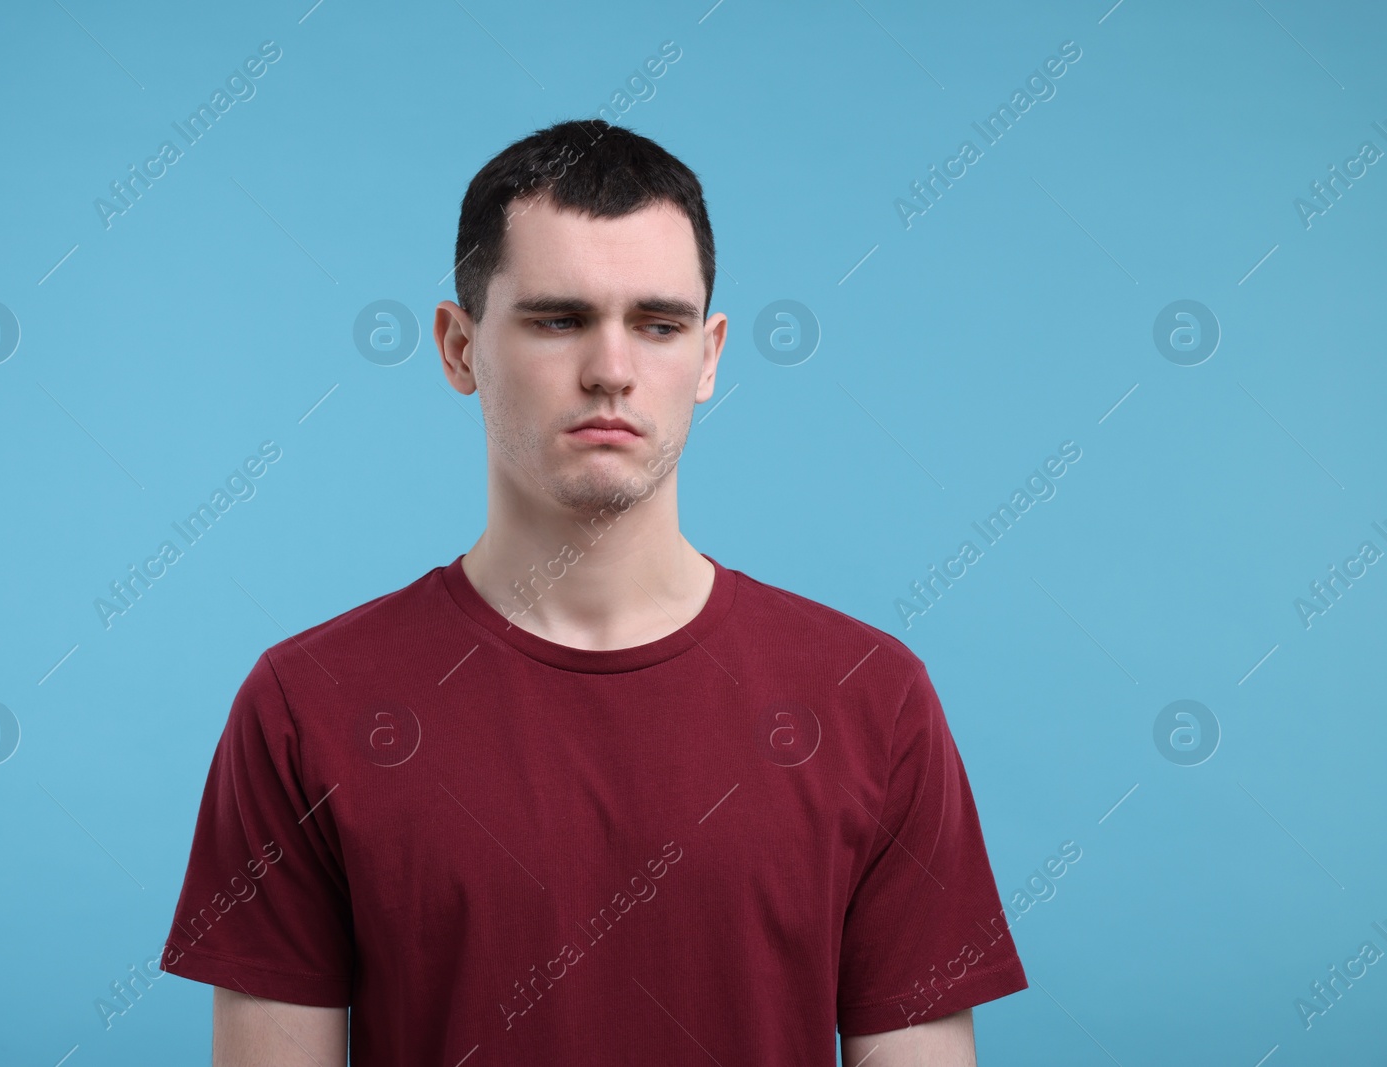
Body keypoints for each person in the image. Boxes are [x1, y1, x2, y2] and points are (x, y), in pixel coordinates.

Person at [161, 117, 1028, 1066]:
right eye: (558, 318)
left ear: (709, 356)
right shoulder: (305, 709)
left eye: (659, 325)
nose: (612, 369)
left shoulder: (872, 698)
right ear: (457, 347)